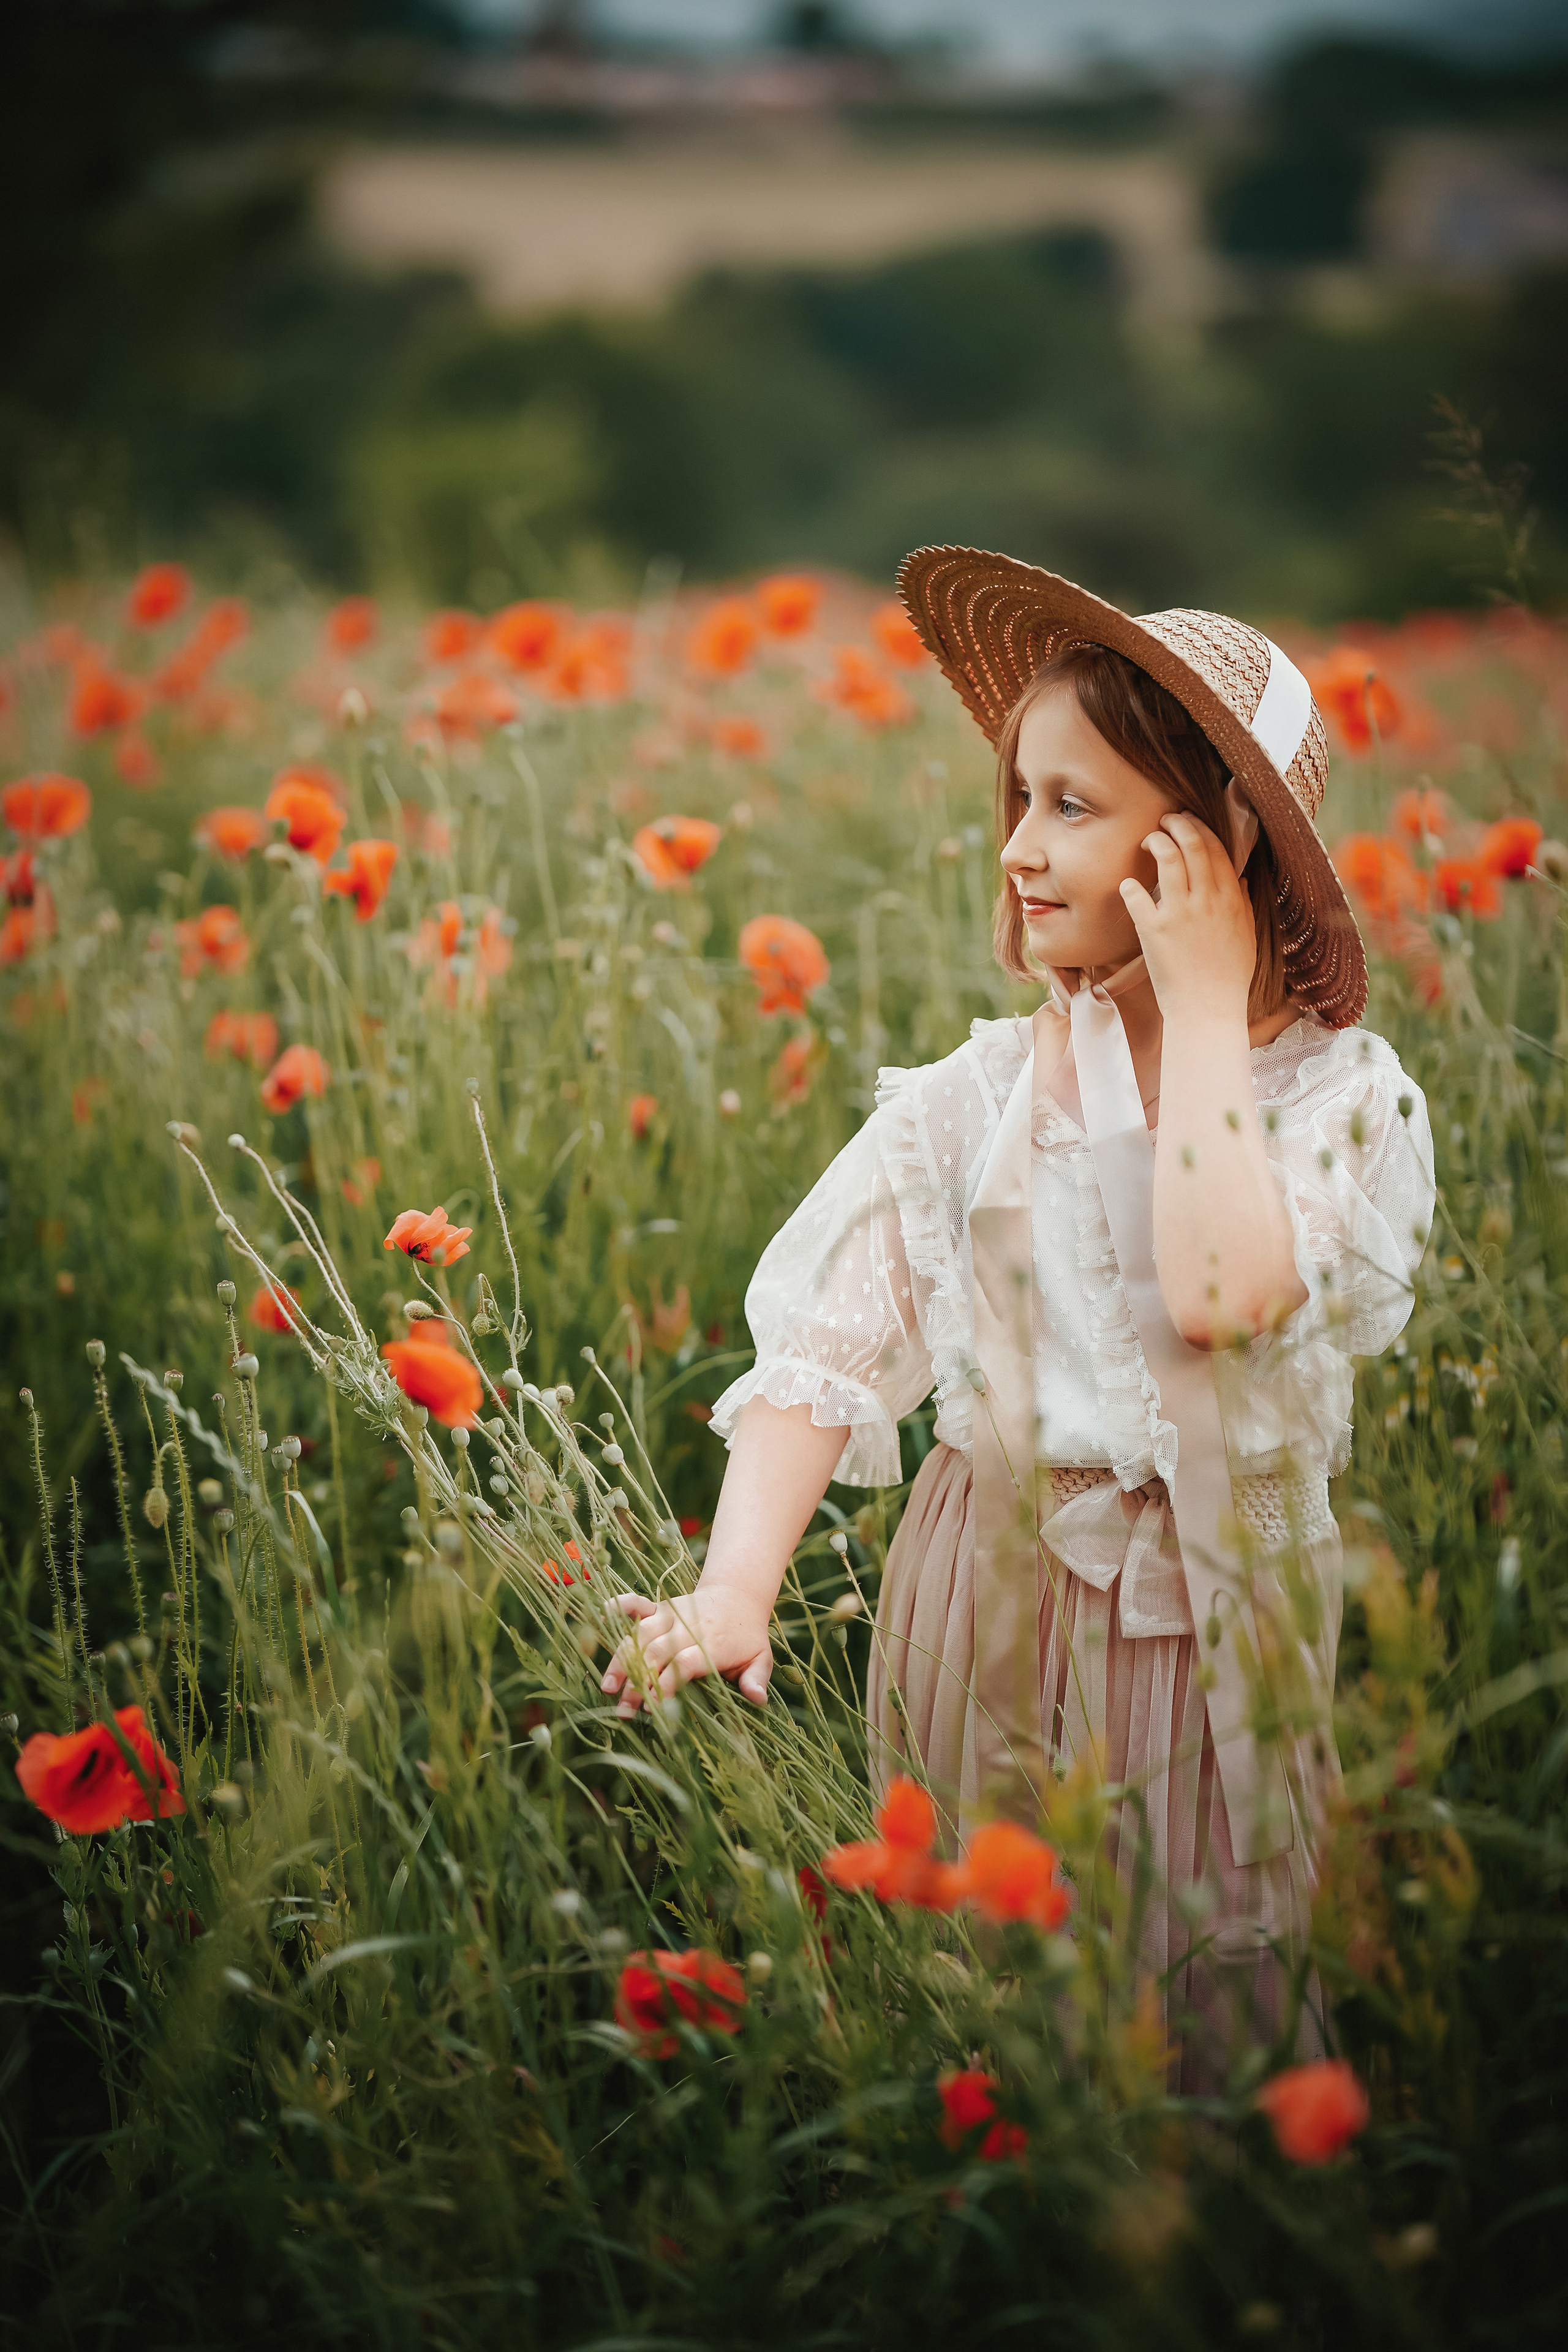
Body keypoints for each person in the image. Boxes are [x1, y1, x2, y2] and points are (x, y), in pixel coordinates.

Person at [601, 548, 1436, 2085]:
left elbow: (1219, 1294)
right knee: (978, 1996)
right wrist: (733, 1591)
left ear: (1212, 847)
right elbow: (825, 1350)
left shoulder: (1333, 1104)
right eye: (1017, 799)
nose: (1017, 848)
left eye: (1070, 807)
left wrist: (1201, 1007)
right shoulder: (974, 1096)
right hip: (976, 1586)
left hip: (1200, 1613)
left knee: (1203, 1988)